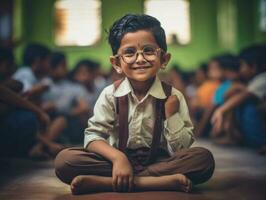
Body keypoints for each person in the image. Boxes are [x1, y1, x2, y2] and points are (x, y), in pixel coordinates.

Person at [54, 14, 215, 195]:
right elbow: (93, 137)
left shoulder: (173, 97)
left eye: (148, 50)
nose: (140, 59)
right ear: (117, 63)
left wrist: (172, 115)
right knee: (65, 160)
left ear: (164, 59)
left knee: (203, 159)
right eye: (129, 53)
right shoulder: (109, 94)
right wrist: (118, 159)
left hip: (159, 163)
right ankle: (160, 183)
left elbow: (182, 149)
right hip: (115, 163)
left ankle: (107, 183)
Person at [211, 44, 266, 152]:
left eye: (242, 65)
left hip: (260, 136)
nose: (240, 70)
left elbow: (244, 95)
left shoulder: (262, 79)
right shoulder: (250, 82)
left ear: (254, 66)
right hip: (252, 135)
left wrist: (221, 110)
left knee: (249, 104)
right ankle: (232, 136)